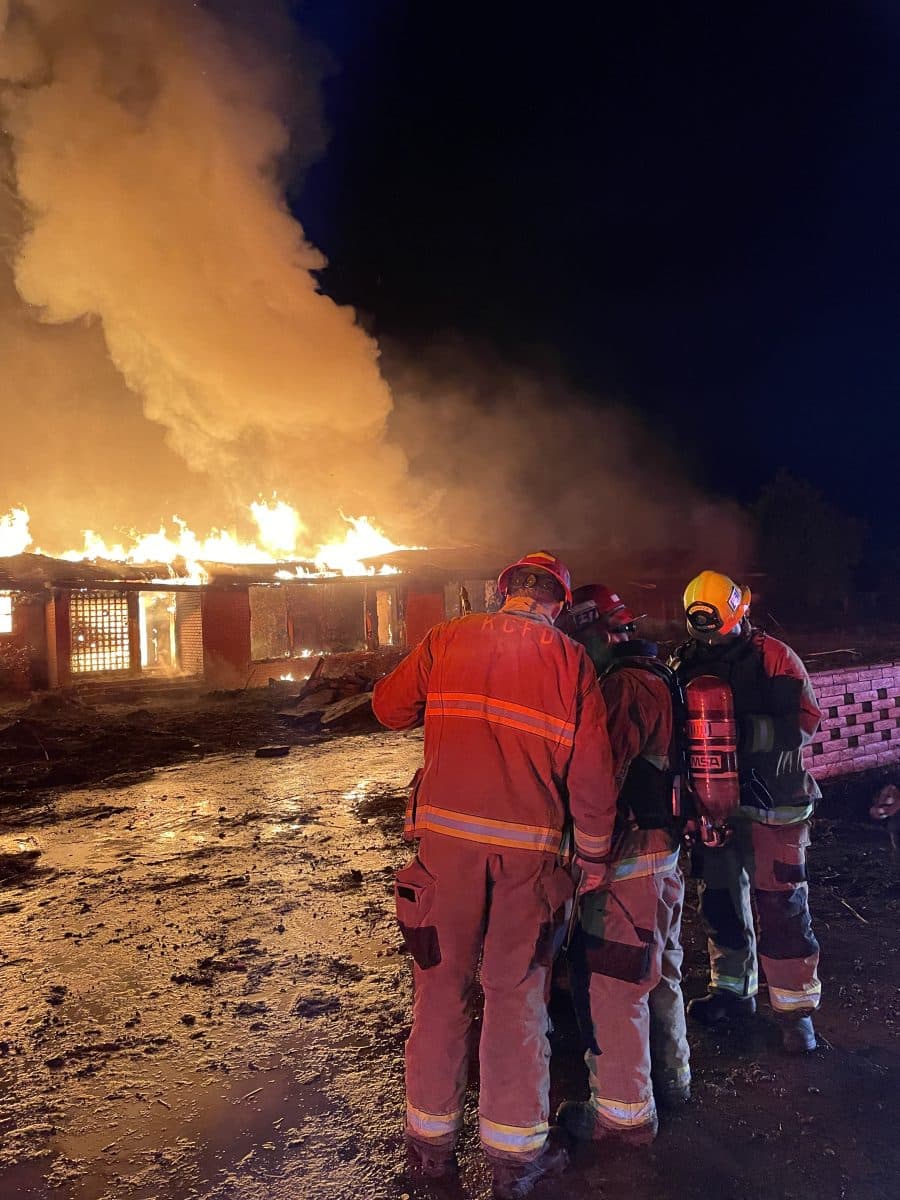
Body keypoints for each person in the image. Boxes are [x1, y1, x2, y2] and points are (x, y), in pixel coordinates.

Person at [373, 552, 618, 1200]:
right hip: (526, 865)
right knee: (515, 998)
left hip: (443, 854)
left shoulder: (447, 638)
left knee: (439, 995)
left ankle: (430, 1157)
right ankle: (515, 1164)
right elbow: (592, 778)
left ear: (504, 591)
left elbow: (387, 708)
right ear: (558, 604)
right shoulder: (571, 663)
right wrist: (591, 860)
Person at [556, 584, 690, 1146]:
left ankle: (622, 1115)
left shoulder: (621, 689)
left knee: (613, 983)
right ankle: (672, 1079)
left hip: (628, 858)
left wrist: (577, 847)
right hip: (664, 857)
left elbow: (598, 781)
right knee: (659, 971)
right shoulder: (664, 676)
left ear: (596, 635)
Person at [671, 570, 822, 1053]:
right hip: (713, 806)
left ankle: (795, 1013)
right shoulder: (685, 663)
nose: (715, 640)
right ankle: (733, 992)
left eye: (723, 629)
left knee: (781, 906)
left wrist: (735, 734)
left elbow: (804, 723)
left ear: (743, 614)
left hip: (774, 805)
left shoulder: (775, 658)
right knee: (718, 902)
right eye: (705, 633)